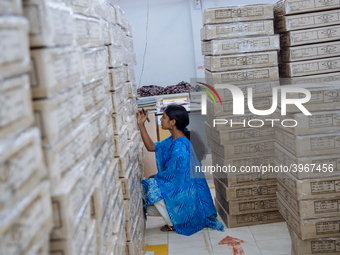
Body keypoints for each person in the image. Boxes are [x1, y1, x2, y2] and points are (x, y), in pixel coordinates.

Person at [137, 104, 224, 236]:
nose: (160, 120)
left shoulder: (181, 147)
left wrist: (152, 178)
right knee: (150, 191)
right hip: (181, 190)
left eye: (164, 117)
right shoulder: (173, 140)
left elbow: (173, 178)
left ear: (173, 122)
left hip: (187, 196)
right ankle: (175, 216)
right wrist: (141, 125)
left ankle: (176, 222)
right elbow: (150, 147)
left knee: (150, 187)